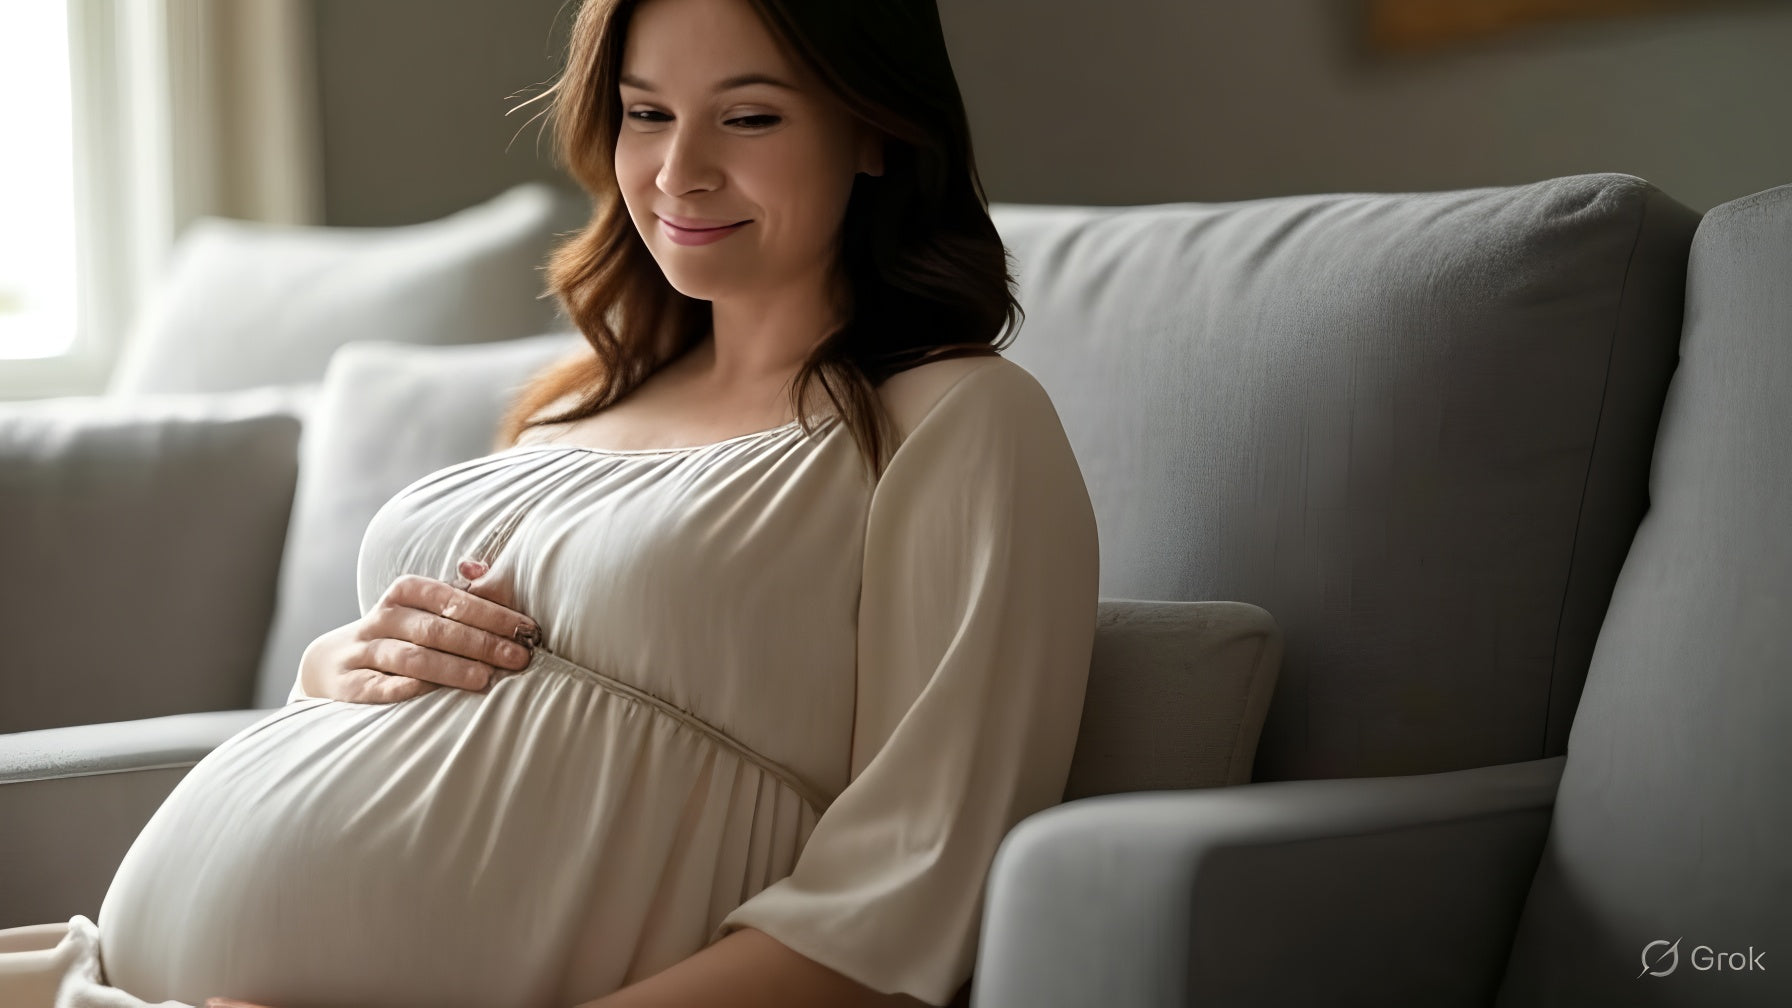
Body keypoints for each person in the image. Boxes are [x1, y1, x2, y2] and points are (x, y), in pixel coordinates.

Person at [0, 0, 1099, 1006]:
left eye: (749, 118)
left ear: (877, 133)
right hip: (95, 976)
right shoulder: (573, 405)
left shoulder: (956, 425)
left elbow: (896, 916)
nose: (679, 171)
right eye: (646, 114)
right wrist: (329, 672)